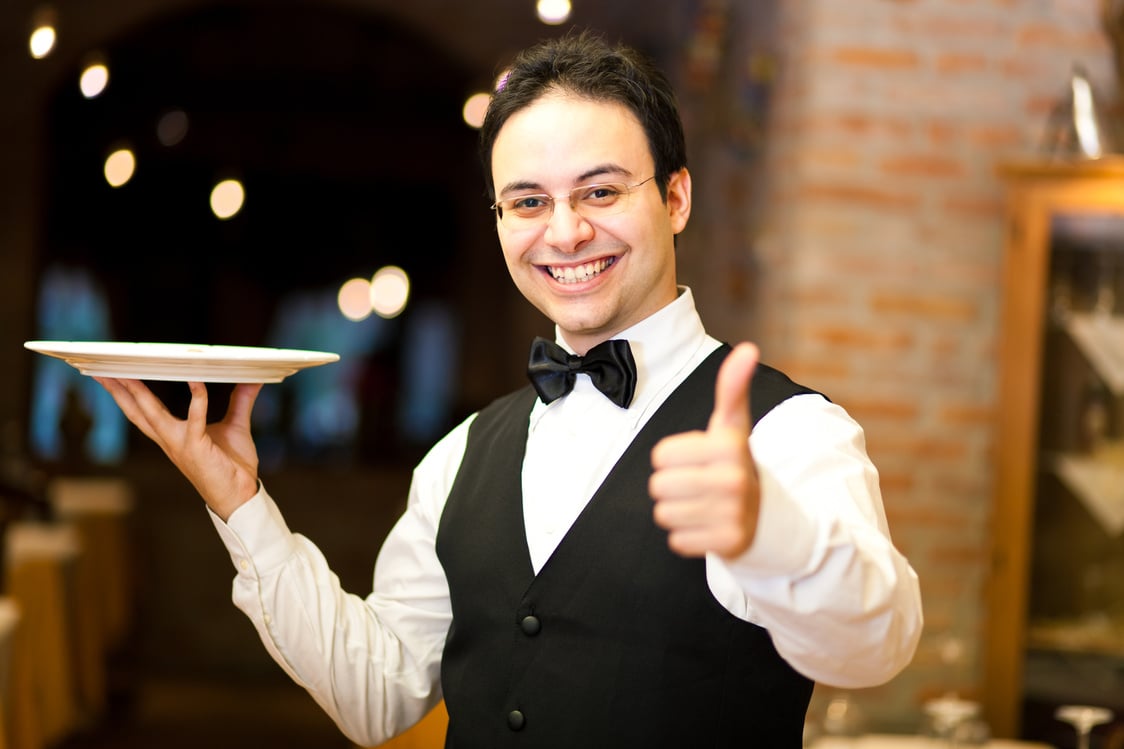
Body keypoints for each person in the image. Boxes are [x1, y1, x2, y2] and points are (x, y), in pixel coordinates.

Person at [96, 30, 923, 748]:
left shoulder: (789, 434)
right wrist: (243, 506)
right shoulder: (460, 455)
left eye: (601, 191)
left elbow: (877, 646)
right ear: (498, 220)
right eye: (528, 202)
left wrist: (767, 531)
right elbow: (376, 694)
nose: (564, 232)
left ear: (676, 197)